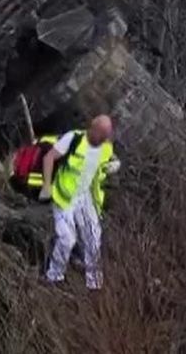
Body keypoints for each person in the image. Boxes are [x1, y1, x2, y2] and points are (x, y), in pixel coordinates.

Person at [40, 115, 120, 290]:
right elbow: (49, 158)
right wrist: (47, 186)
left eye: (106, 136)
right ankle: (54, 277)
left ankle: (94, 284)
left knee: (93, 238)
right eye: (101, 134)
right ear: (93, 128)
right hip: (64, 197)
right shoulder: (74, 139)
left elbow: (110, 158)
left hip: (85, 198)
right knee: (67, 239)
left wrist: (115, 164)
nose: (103, 139)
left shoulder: (106, 148)